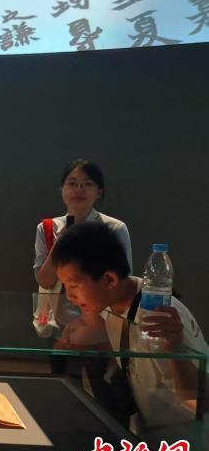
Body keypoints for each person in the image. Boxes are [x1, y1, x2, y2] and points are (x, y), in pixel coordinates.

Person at [51, 222, 208, 432]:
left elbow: (200, 398)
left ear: (109, 279)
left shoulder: (157, 317)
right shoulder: (113, 306)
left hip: (187, 440)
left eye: (73, 286)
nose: (69, 296)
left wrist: (175, 350)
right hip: (152, 433)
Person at [34, 159, 132, 290]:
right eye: (72, 183)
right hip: (55, 304)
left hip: (99, 304)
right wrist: (61, 242)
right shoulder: (47, 228)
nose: (79, 189)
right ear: (61, 189)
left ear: (98, 192)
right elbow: (44, 282)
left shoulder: (114, 229)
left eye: (88, 184)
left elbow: (123, 283)